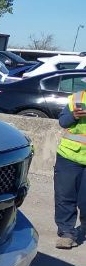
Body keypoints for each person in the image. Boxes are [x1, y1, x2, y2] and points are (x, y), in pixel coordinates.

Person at [54, 88, 86, 249]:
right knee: (65, 197)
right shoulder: (77, 98)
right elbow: (63, 122)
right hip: (68, 156)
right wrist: (74, 116)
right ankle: (66, 233)